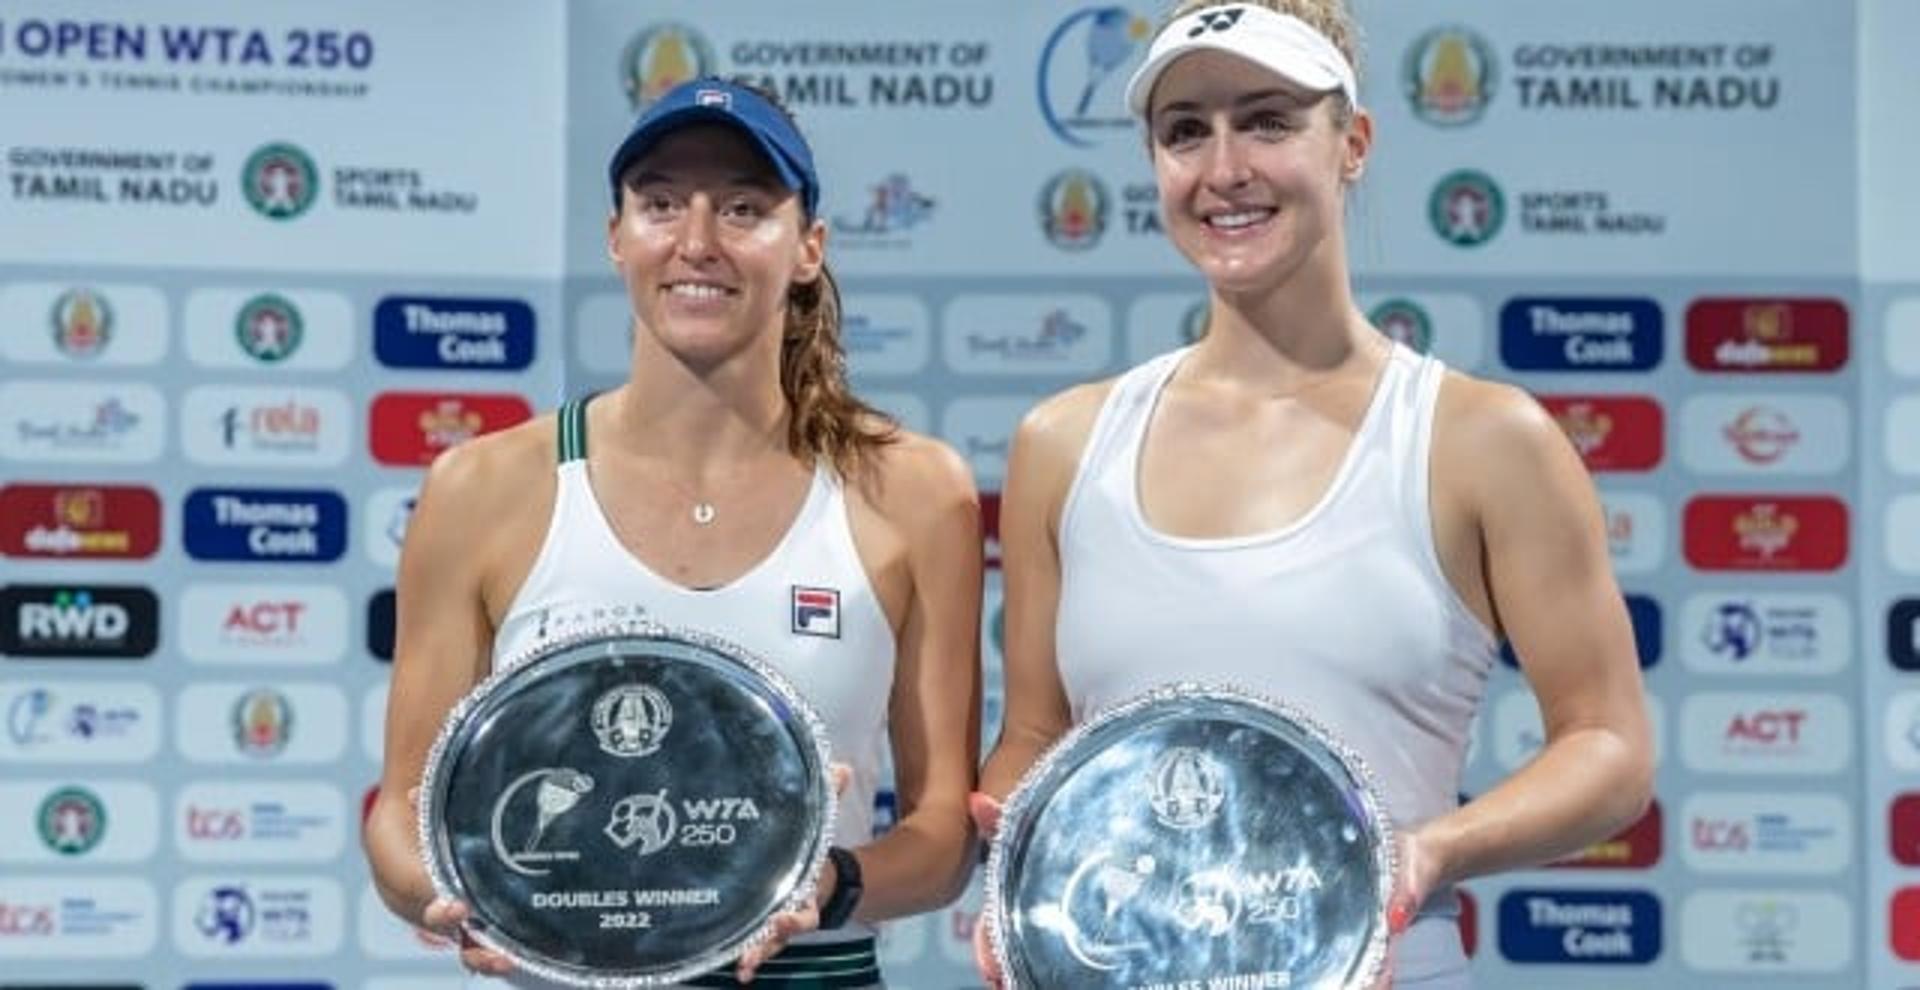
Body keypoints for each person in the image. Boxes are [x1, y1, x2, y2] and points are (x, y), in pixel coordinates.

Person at [974, 2, 1654, 987]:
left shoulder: (1481, 440)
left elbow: (1610, 748)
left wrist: (1426, 852)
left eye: (1267, 120)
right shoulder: (1064, 442)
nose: (1224, 168)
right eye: (1185, 132)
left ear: (1354, 144)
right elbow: (1036, 736)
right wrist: (1019, 867)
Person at [363, 76, 983, 989]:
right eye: (660, 203)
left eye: (742, 207)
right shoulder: (484, 487)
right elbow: (402, 808)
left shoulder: (913, 491)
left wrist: (834, 881)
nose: (697, 242)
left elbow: (942, 836)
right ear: (616, 237)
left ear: (808, 246)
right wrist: (453, 895)